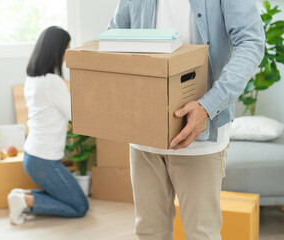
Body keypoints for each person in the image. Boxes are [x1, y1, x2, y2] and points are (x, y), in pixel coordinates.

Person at [108, 0, 265, 239]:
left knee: (201, 233)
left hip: (201, 135)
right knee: (149, 231)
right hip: (144, 133)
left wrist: (207, 105)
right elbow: (114, 36)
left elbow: (251, 42)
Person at [7, 26, 89, 225]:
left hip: (34, 156)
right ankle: (24, 200)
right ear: (56, 51)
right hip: (44, 161)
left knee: (69, 196)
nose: (66, 55)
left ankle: (22, 195)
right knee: (80, 206)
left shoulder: (33, 79)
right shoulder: (53, 82)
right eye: (66, 49)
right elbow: (76, 116)